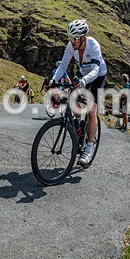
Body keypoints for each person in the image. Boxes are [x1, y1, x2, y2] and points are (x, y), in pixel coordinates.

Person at [49, 19, 107, 167]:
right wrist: (53, 80)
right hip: (84, 76)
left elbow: (95, 69)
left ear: (83, 37)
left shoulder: (93, 45)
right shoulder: (70, 46)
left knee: (91, 111)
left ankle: (89, 147)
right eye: (69, 37)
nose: (71, 41)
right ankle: (79, 127)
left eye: (74, 38)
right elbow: (63, 65)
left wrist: (83, 81)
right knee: (74, 102)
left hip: (97, 76)